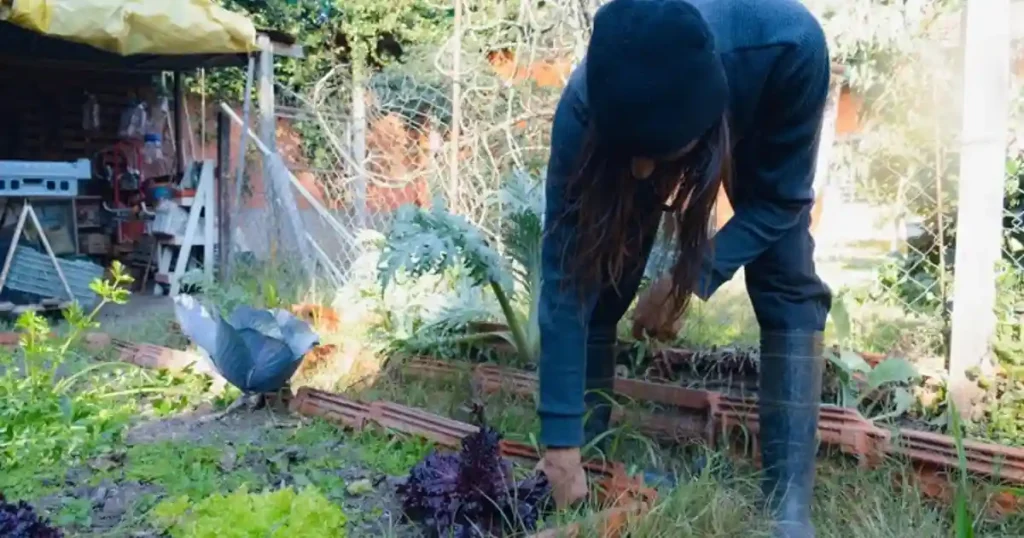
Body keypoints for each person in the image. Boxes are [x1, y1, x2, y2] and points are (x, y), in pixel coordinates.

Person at [534, 0, 832, 537]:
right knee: (598, 277)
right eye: (636, 156)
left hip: (760, 92)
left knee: (786, 274)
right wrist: (559, 444)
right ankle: (588, 457)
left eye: (657, 155)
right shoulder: (586, 107)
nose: (646, 172)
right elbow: (562, 277)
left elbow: (782, 202)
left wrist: (687, 277)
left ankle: (788, 509)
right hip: (647, 130)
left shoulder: (791, 48)